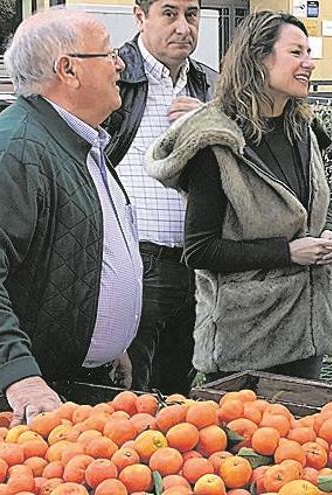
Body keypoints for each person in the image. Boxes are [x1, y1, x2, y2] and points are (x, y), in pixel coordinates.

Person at [145, 11, 332, 382]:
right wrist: (288, 252)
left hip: (306, 335)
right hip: (243, 343)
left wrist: (324, 236)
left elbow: (303, 212)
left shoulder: (304, 130)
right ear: (258, 58)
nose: (309, 63)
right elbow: (200, 250)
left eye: (309, 53)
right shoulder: (216, 142)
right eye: (296, 53)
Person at [0, 10, 142, 420]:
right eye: (109, 54)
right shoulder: (16, 149)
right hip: (26, 404)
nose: (120, 64)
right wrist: (20, 377)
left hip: (74, 383)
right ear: (68, 69)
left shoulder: (75, 140)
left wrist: (107, 345)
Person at [104, 0, 217, 395]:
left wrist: (211, 119)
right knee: (130, 394)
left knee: (180, 399)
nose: (183, 27)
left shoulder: (207, 83)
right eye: (169, 14)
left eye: (192, 14)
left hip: (199, 262)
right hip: (139, 262)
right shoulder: (114, 75)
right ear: (140, 16)